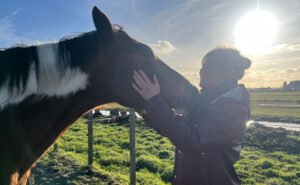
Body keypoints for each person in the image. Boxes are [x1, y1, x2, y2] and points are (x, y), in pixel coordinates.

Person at [132, 47, 251, 185]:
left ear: (227, 72)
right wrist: (144, 107)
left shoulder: (233, 108)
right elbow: (178, 127)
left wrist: (154, 101)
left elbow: (190, 139)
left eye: (208, 67)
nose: (201, 71)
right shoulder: (210, 101)